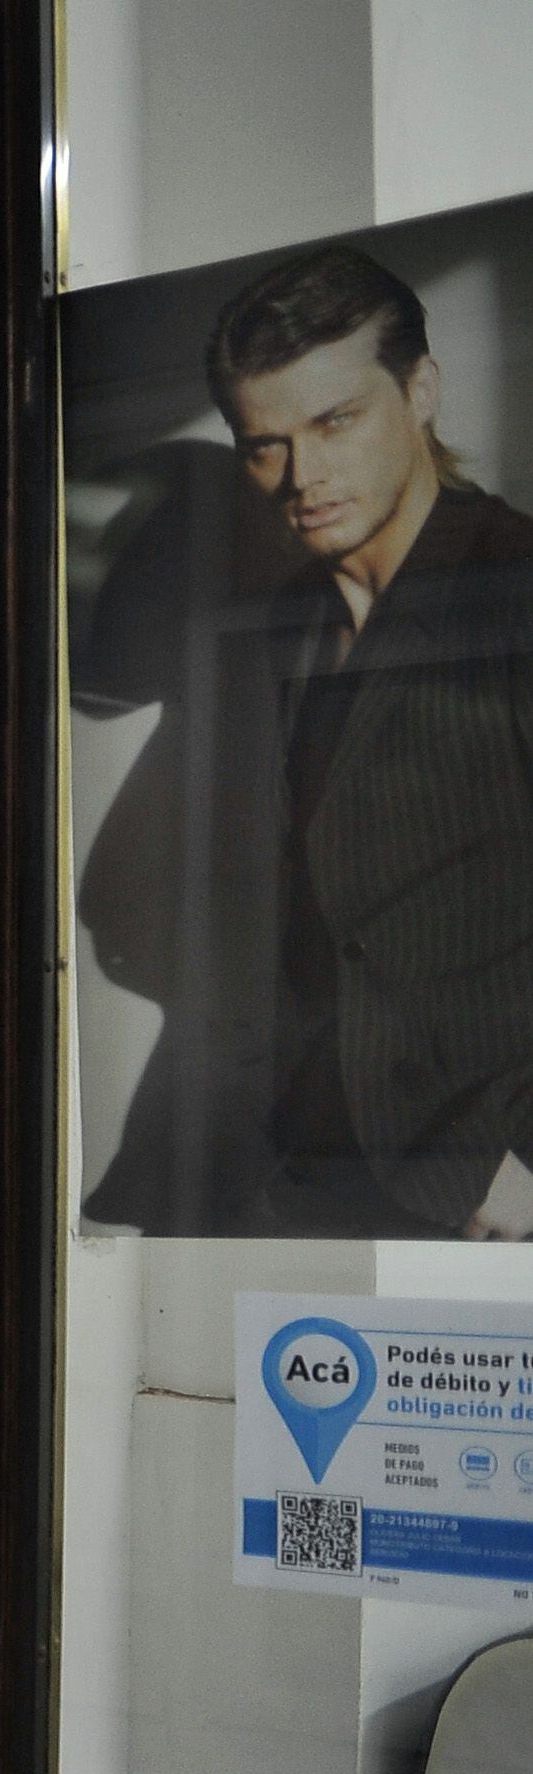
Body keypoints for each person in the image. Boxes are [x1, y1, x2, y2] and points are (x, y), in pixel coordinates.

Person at [202, 245, 533, 1239]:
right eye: (264, 444)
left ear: (420, 390)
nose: (300, 476)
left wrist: (515, 1162)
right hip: (319, 1153)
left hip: (490, 1181)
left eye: (334, 421)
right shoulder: (298, 611)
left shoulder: (514, 578)